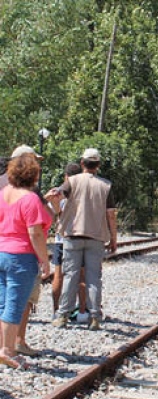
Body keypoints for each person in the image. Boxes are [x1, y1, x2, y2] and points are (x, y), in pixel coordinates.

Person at [47, 148, 117, 330]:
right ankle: (94, 317)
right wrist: (113, 238)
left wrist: (58, 213)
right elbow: (111, 215)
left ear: (82, 163)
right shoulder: (106, 185)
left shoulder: (72, 181)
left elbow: (56, 196)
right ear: (98, 165)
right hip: (96, 236)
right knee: (94, 278)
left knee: (70, 275)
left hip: (72, 235)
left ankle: (62, 315)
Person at [0, 153, 52, 369]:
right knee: (15, 304)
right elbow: (35, 234)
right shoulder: (29, 199)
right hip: (21, 257)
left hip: (2, 253)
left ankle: (1, 348)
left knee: (2, 303)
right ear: (32, 175)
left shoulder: (4, 193)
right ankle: (8, 350)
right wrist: (45, 260)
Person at [50, 163, 88, 323]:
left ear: (65, 176)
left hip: (60, 239)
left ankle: (56, 310)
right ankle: (81, 312)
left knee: (58, 275)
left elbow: (53, 216)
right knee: (81, 275)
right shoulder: (82, 191)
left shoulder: (58, 191)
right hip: (78, 236)